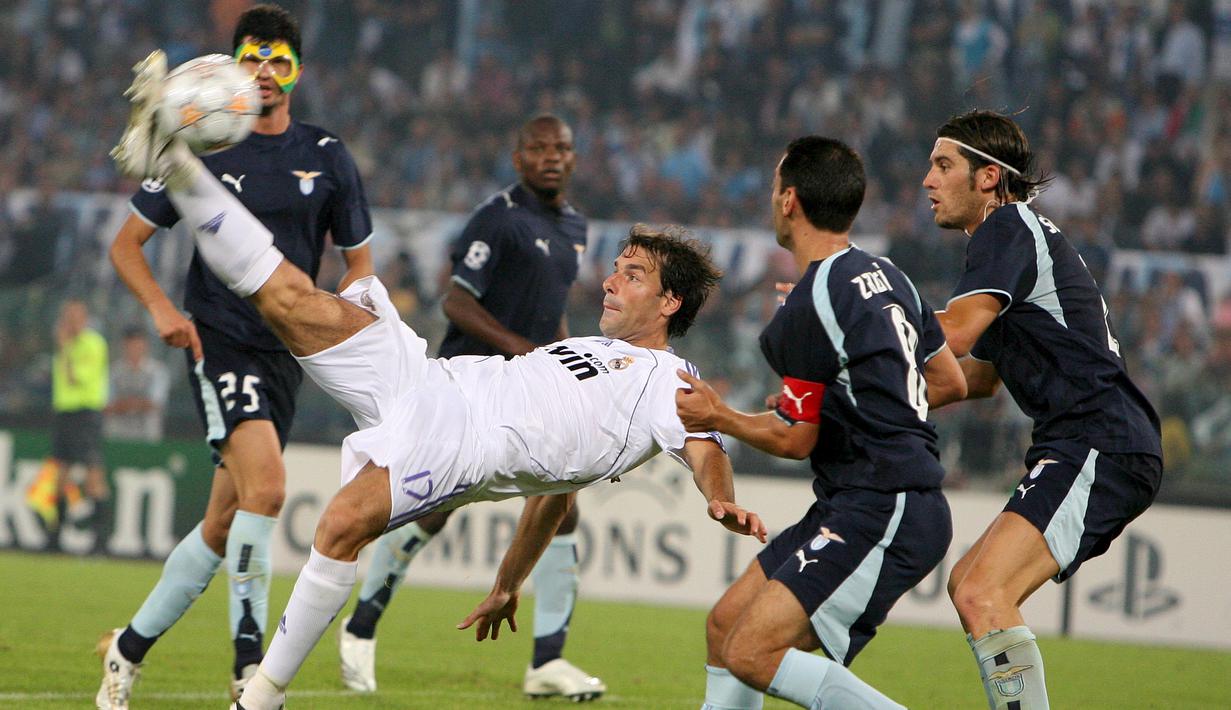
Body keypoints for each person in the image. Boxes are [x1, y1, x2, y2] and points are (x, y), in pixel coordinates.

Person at [108, 52, 766, 710]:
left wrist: (717, 497)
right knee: (291, 300)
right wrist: (510, 581)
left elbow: (702, 440)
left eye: (633, 273)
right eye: (616, 267)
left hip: (466, 441)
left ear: (670, 302)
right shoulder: (589, 345)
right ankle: (172, 162)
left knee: (337, 527)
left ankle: (259, 698)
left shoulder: (667, 376)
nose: (612, 280)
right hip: (430, 379)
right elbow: (557, 496)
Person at [97, 6, 374, 708]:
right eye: (254, 58)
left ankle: (125, 653)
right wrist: (163, 309)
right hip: (220, 342)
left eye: (281, 61)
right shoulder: (202, 150)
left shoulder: (328, 154)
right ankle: (249, 669)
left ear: (299, 71)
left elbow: (358, 272)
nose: (267, 73)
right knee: (271, 490)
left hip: (289, 354)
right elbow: (125, 243)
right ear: (232, 67)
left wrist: (358, 339)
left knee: (225, 524)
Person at [676, 136, 967, 710]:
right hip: (857, 501)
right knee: (725, 627)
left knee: (752, 653)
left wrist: (718, 416)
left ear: (788, 201)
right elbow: (948, 382)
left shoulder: (807, 307)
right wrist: (844, 395)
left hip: (885, 502)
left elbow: (792, 437)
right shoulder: (889, 277)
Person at [338, 114, 606, 700]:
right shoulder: (498, 217)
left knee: (563, 507)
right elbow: (456, 302)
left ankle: (547, 662)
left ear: (574, 157)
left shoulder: (575, 226)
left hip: (534, 390)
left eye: (562, 147)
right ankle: (359, 627)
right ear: (518, 158)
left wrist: (559, 362)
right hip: (471, 386)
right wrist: (523, 352)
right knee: (430, 509)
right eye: (538, 148)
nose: (551, 157)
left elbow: (550, 309)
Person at [924, 110, 1163, 709]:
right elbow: (970, 381)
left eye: (943, 165)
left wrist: (859, 314)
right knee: (968, 584)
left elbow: (952, 333)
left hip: (1098, 437)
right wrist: (857, 395)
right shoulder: (1006, 244)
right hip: (1087, 438)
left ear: (987, 179)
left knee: (982, 590)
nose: (927, 180)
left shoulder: (1006, 229)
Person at [49, 298, 110, 532]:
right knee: (60, 476)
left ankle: (100, 540)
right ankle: (54, 540)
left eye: (75, 317)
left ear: (85, 319)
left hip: (85, 414)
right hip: (64, 414)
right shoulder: (66, 345)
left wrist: (64, 349)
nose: (70, 322)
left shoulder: (93, 344)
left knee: (92, 475)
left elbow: (74, 379)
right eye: (67, 317)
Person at [104, 327, 171, 443]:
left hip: (148, 435)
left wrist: (124, 404)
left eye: (138, 343)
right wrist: (139, 403)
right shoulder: (113, 371)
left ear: (145, 345)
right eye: (130, 344)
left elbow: (155, 403)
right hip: (118, 435)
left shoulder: (157, 371)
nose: (134, 348)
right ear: (124, 346)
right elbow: (107, 405)